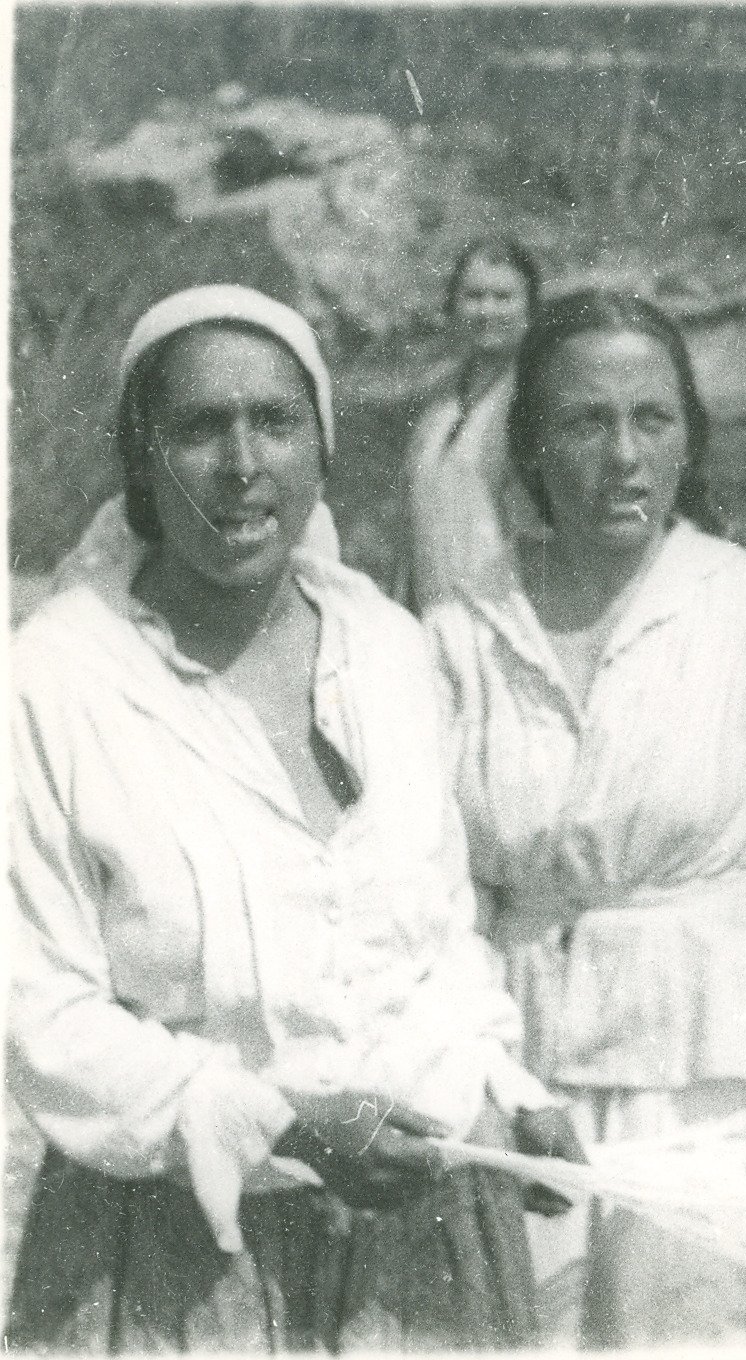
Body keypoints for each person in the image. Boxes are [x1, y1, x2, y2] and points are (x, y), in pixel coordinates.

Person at [7, 285, 583, 1352]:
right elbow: (43, 1017)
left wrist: (502, 1080)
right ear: (139, 459)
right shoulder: (54, 682)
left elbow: (436, 931)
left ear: (320, 446)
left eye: (274, 420)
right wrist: (275, 1119)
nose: (241, 464)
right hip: (178, 1258)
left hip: (423, 1239)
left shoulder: (389, 649)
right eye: (197, 428)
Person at [424, 289, 746, 1347]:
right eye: (584, 421)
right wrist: (473, 1070)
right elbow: (430, 892)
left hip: (721, 1086)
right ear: (530, 444)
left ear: (689, 436)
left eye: (652, 418)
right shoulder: (460, 629)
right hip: (520, 1085)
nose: (622, 455)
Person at [400, 236, 540, 610]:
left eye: (503, 297)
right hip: (434, 615)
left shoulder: (537, 397)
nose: (487, 311)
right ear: (454, 306)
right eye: (474, 296)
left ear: (529, 309)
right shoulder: (438, 404)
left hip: (507, 615)